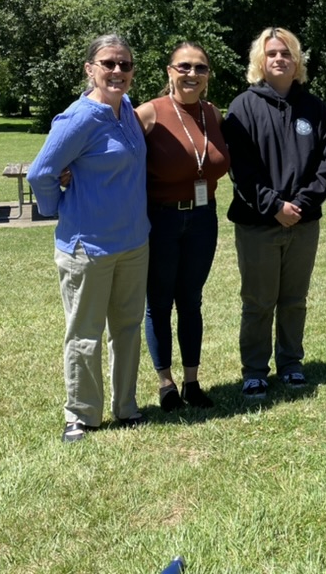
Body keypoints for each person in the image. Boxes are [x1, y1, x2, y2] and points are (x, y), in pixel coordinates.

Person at [27, 34, 150, 442]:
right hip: (87, 248)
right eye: (108, 63)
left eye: (125, 65)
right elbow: (41, 172)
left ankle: (127, 406)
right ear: (90, 69)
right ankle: (81, 415)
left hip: (133, 242)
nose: (117, 71)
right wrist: (57, 206)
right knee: (84, 334)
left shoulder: (127, 109)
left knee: (128, 328)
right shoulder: (78, 118)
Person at [221, 27, 326, 400]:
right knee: (258, 301)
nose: (279, 59)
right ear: (261, 60)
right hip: (258, 223)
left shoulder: (315, 108)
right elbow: (239, 168)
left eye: (286, 53)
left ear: (296, 61)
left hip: (303, 224)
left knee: (294, 300)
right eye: (272, 53)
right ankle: (255, 370)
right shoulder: (243, 106)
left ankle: (291, 365)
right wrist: (273, 206)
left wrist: (301, 205)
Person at [135, 43, 230, 412]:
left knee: (191, 301)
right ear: (169, 71)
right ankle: (165, 384)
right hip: (161, 219)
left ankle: (192, 383)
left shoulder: (213, 113)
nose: (192, 74)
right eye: (184, 67)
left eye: (201, 68)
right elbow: (113, 154)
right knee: (158, 303)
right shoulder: (148, 114)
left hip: (204, 219)